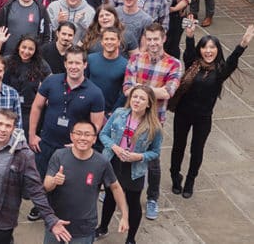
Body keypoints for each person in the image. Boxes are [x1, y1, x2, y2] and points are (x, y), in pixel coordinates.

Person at [0, 109, 72, 244]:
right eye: (0, 124)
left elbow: (36, 190)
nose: (3, 129)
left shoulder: (23, 155)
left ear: (14, 128)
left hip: (0, 219)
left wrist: (51, 220)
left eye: (8, 126)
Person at [170, 22, 252, 199]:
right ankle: (175, 175)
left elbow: (233, 60)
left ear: (217, 50)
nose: (208, 51)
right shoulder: (193, 64)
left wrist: (243, 44)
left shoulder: (220, 71)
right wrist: (190, 36)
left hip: (203, 118)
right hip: (183, 114)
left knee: (197, 150)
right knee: (178, 146)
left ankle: (190, 180)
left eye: (212, 48)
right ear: (200, 50)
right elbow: (188, 52)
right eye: (205, 47)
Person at [27, 46, 105, 222]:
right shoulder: (51, 82)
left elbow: (96, 125)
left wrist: (81, 144)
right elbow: (37, 106)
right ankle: (41, 207)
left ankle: (59, 212)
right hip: (46, 143)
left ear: (85, 65)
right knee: (42, 178)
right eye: (70, 62)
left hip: (70, 149)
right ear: (65, 63)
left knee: (65, 182)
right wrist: (32, 134)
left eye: (78, 63)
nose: (74, 66)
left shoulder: (95, 93)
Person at [122, 23, 182, 220]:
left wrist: (139, 89)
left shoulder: (174, 64)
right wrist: (152, 91)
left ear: (163, 39)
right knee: (125, 153)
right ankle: (119, 190)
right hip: (132, 117)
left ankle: (152, 198)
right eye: (149, 39)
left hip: (155, 120)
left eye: (156, 39)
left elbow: (168, 92)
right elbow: (126, 89)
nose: (153, 43)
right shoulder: (135, 59)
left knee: (152, 159)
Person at [96, 85, 163, 244]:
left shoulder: (154, 126)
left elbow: (155, 152)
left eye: (142, 98)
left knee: (133, 202)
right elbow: (103, 134)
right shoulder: (119, 114)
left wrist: (139, 156)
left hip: (134, 168)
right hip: (114, 161)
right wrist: (114, 147)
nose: (137, 101)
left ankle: (131, 238)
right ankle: (103, 227)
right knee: (110, 196)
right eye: (135, 97)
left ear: (149, 104)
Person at [44, 120, 130, 243]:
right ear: (71, 136)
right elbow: (46, 186)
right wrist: (54, 181)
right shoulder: (59, 156)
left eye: (87, 134)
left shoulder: (102, 162)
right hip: (57, 225)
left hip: (84, 229)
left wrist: (124, 216)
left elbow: (115, 187)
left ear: (94, 139)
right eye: (78, 133)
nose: (82, 138)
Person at [87, 27, 130, 115]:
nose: (109, 42)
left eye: (112, 39)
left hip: (109, 112)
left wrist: (114, 111)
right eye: (106, 39)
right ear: (102, 42)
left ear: (119, 42)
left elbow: (124, 92)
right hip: (87, 107)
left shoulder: (126, 64)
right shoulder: (91, 58)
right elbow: (83, 81)